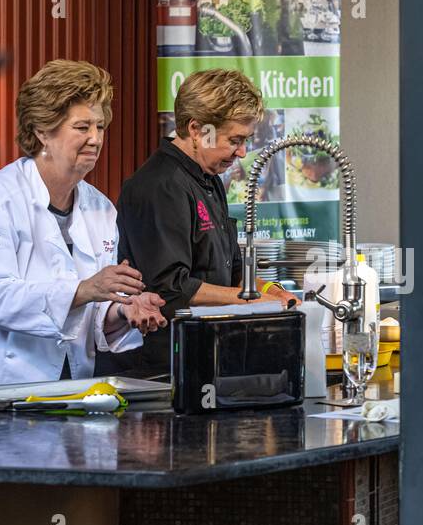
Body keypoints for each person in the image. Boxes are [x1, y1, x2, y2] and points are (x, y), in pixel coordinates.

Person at [0, 60, 166, 409]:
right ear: (43, 131)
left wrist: (123, 310)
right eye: (82, 126)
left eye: (100, 126)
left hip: (59, 393)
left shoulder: (99, 208)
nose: (96, 139)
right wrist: (86, 288)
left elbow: (88, 313)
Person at [101, 69, 294, 378]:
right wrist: (256, 300)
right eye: (235, 140)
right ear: (196, 129)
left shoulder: (209, 179)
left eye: (245, 141)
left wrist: (273, 291)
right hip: (165, 366)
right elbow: (172, 288)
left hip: (210, 355)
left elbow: (231, 271)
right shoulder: (158, 186)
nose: (242, 153)